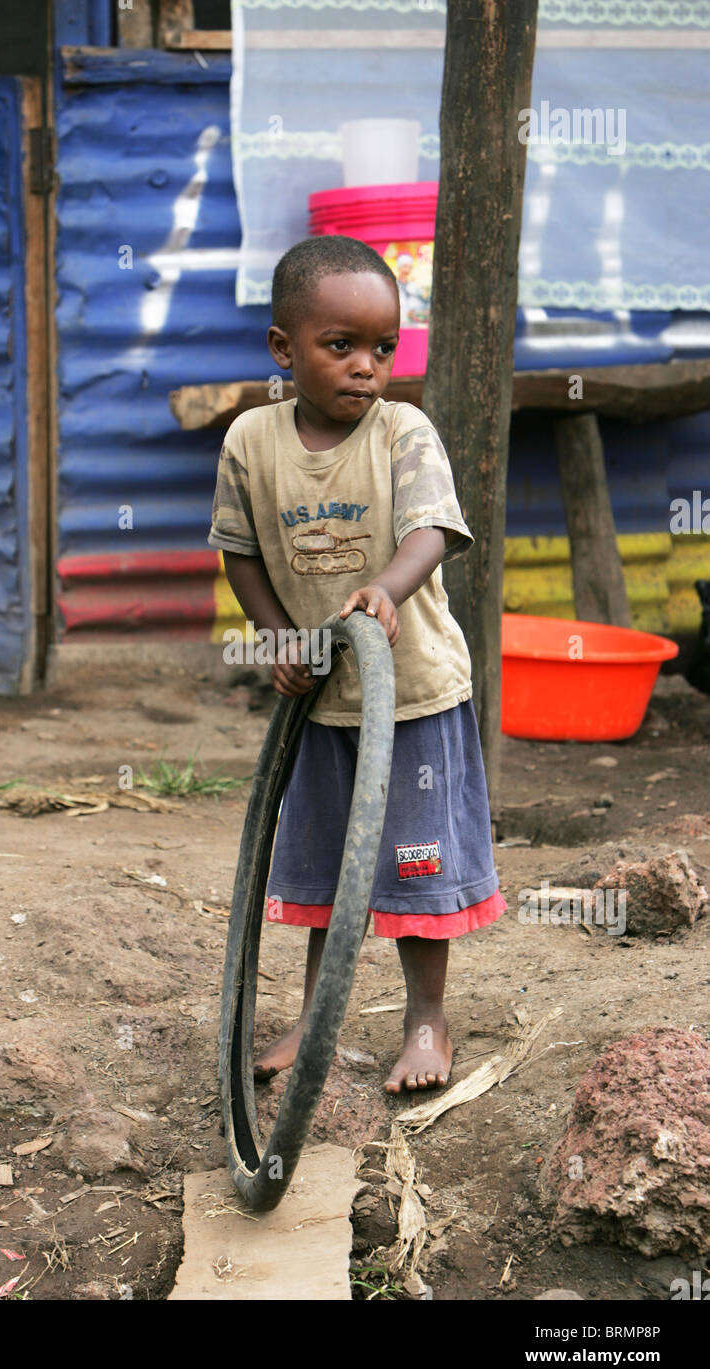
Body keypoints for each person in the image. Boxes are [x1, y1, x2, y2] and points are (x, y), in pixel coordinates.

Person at [207, 235, 507, 1094]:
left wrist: (385, 588)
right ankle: (316, 1018)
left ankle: (426, 1023)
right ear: (283, 349)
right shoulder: (251, 443)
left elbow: (433, 532)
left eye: (384, 347)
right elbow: (242, 554)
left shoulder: (402, 431)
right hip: (322, 704)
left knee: (417, 868)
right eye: (341, 346)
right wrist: (280, 638)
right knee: (320, 871)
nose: (366, 367)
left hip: (410, 698)